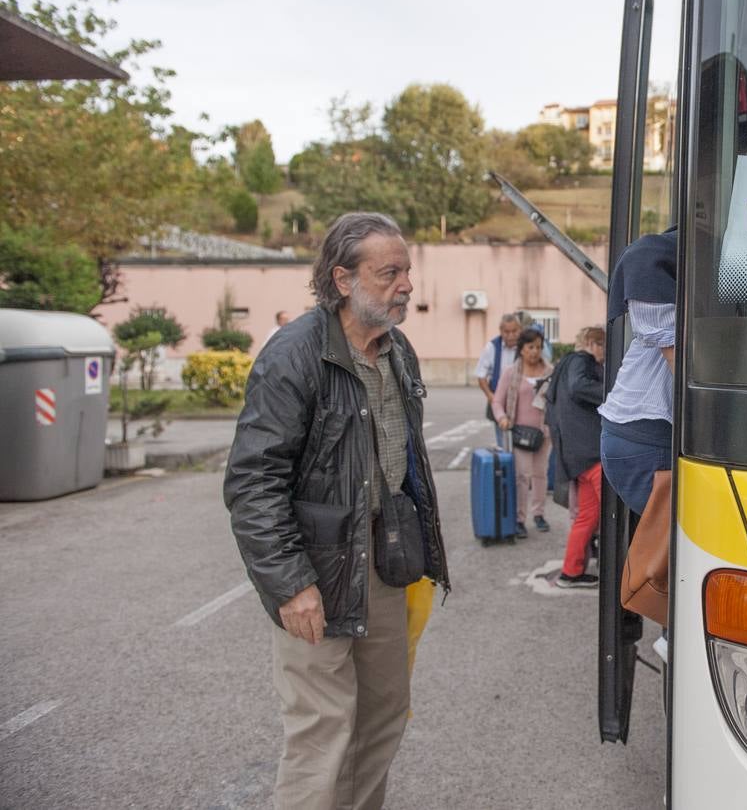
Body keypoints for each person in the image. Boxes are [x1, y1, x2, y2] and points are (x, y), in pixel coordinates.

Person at [223, 212, 450, 810]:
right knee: (323, 735)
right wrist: (290, 583)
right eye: (389, 273)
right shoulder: (294, 355)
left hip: (384, 567)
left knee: (382, 721)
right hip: (315, 577)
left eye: (407, 272)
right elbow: (253, 480)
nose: (406, 285)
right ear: (343, 278)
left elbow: (408, 463)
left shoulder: (398, 350)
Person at [599, 228, 678, 513]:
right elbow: (683, 370)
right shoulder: (665, 250)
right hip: (646, 440)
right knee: (669, 547)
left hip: (637, 435)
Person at [546, 326, 606, 587]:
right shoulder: (581, 360)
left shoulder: (562, 366)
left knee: (588, 517)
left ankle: (570, 572)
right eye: (605, 346)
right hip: (591, 452)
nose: (606, 354)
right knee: (615, 514)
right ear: (593, 343)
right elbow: (580, 387)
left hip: (575, 454)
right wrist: (614, 394)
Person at [492, 327, 555, 537]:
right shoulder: (511, 372)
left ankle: (539, 514)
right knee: (521, 477)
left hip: (544, 432)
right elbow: (497, 401)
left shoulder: (550, 371)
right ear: (521, 349)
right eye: (530, 347)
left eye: (538, 347)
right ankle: (520, 519)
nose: (535, 351)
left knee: (540, 475)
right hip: (520, 434)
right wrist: (502, 418)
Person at [476, 313, 522, 426]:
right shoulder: (491, 347)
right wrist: (491, 397)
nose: (511, 335)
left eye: (514, 331)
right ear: (501, 331)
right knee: (502, 439)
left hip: (521, 400)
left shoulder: (525, 346)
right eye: (507, 332)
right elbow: (481, 376)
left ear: (520, 330)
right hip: (498, 397)